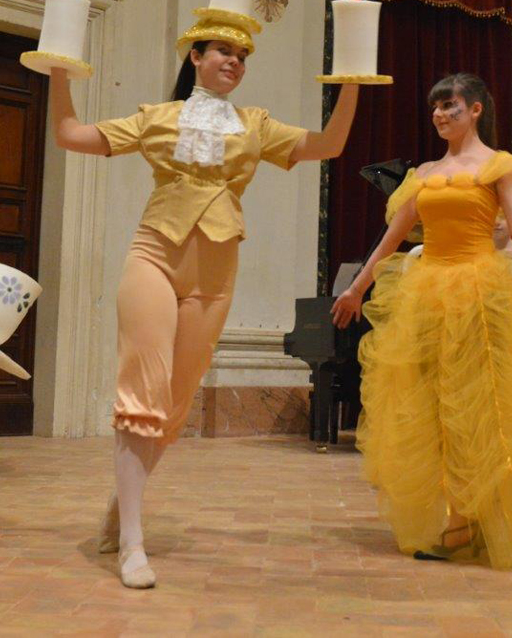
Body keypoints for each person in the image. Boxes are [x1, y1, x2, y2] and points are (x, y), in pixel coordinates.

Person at [51, 34, 360, 587]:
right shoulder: (158, 118)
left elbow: (332, 144)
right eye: (223, 52)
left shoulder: (255, 125)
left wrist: (353, 78)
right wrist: (58, 67)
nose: (234, 62)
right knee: (143, 391)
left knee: (172, 407)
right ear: (195, 57)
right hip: (153, 256)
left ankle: (123, 504)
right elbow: (70, 134)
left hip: (214, 278)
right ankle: (132, 544)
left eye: (242, 57)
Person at [331, 72, 512, 570]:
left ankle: (476, 519)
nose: (439, 115)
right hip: (427, 293)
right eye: (435, 107)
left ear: (475, 109)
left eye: (450, 105)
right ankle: (458, 518)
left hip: (478, 291)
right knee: (433, 407)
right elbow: (392, 238)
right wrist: (357, 287)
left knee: (480, 406)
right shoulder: (425, 173)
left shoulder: (500, 167)